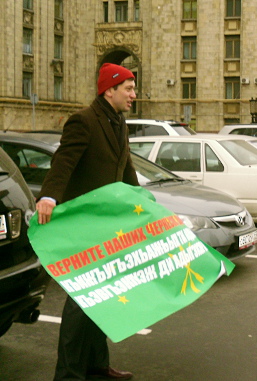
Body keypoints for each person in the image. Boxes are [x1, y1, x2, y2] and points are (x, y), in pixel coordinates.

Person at [36, 63, 139, 380]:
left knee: (104, 297)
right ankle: (67, 374)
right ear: (109, 89)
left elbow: (125, 166)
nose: (134, 95)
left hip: (108, 225)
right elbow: (64, 160)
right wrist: (49, 195)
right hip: (83, 225)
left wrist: (144, 203)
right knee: (82, 301)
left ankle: (96, 365)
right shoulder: (83, 120)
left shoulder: (118, 122)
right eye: (129, 89)